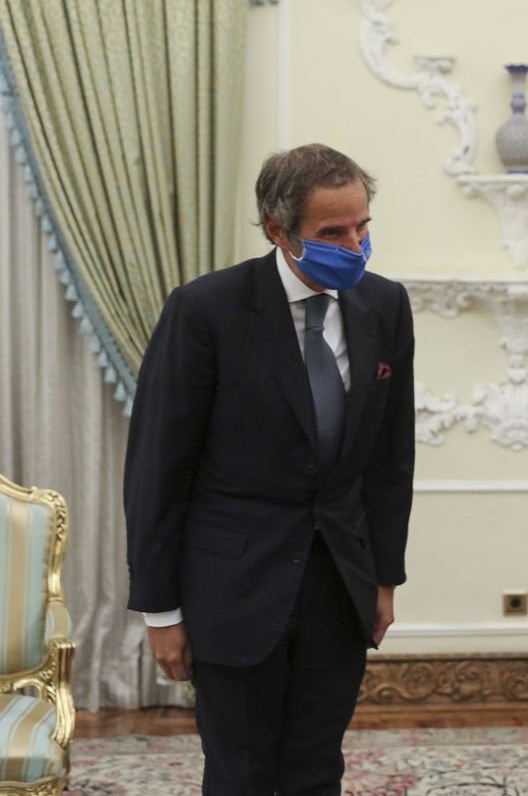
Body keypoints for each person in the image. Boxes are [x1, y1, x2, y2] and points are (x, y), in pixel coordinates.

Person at [124, 143, 415, 795]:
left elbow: (391, 460)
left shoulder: (385, 306)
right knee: (243, 772)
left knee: (317, 768)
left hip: (338, 585)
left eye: (363, 226)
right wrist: (160, 611)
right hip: (232, 589)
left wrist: (384, 578)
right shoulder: (205, 311)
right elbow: (157, 468)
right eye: (333, 233)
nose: (356, 243)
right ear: (280, 232)